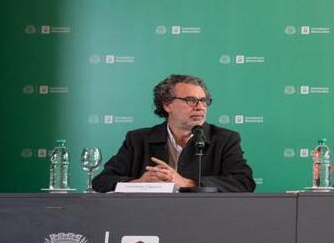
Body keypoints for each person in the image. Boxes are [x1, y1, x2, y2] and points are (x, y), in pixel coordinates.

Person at [92, 74, 255, 192]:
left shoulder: (224, 139)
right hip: (150, 217)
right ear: (167, 105)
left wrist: (186, 182)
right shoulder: (138, 139)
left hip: (204, 218)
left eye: (204, 101)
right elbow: (101, 182)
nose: (200, 107)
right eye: (191, 100)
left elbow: (244, 183)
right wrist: (139, 183)